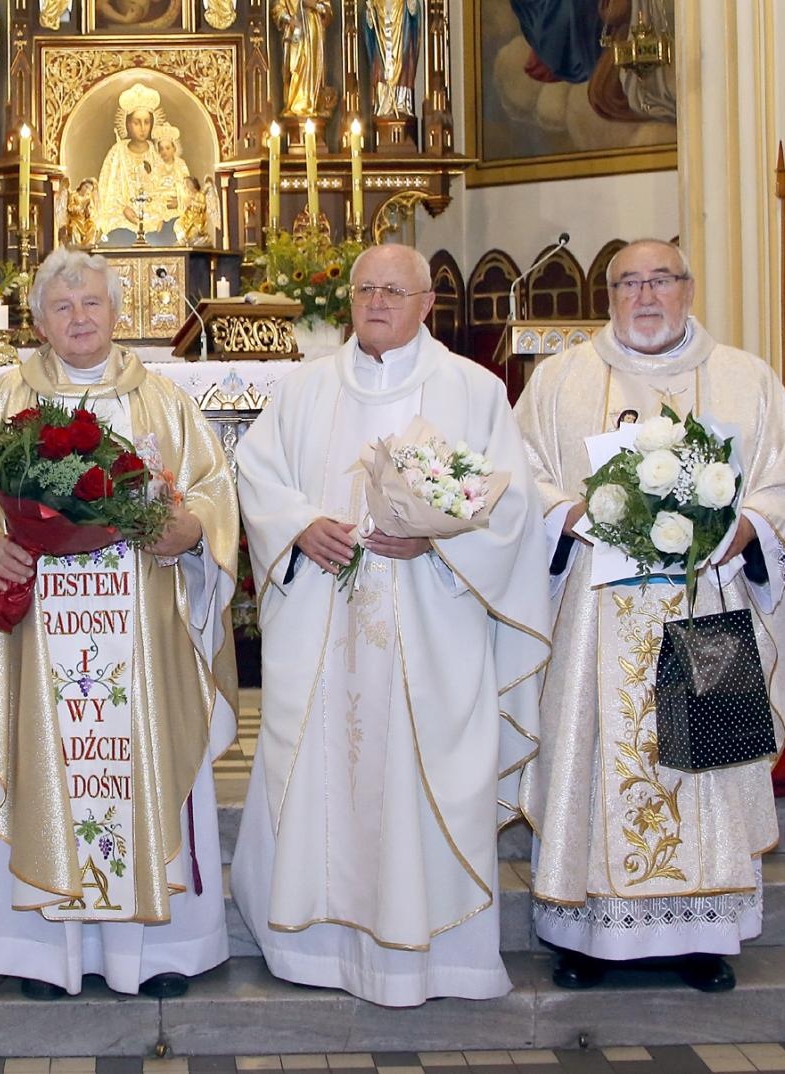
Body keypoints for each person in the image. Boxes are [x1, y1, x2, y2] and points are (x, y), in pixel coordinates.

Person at [231, 243, 551, 1006]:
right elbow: (256, 469)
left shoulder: (472, 390)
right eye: (365, 289)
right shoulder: (306, 389)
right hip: (323, 632)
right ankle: (312, 951)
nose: (376, 302)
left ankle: (436, 959)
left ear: (427, 303)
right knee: (320, 770)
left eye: (393, 290)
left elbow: (514, 507)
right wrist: (302, 524)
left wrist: (438, 537)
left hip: (433, 630)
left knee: (421, 773)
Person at [514, 238, 785, 992]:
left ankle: (703, 936)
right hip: (595, 620)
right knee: (595, 756)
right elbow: (519, 482)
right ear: (608, 294)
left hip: (708, 608)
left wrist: (747, 527)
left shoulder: (745, 380)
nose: (645, 295)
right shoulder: (560, 382)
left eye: (661, 280)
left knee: (706, 766)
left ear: (689, 288)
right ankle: (586, 936)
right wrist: (573, 512)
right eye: (628, 283)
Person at [0, 247, 239, 1000]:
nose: (79, 319)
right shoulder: (0, 401)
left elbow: (214, 493)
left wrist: (191, 532)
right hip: (37, 633)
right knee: (49, 765)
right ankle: (41, 953)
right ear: (37, 320)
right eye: (62, 308)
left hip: (143, 633)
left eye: (92, 304)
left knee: (141, 759)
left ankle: (155, 954)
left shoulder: (164, 400)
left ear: (117, 312)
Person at [94, 83, 164, 243]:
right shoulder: (117, 152)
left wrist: (158, 214)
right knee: (117, 234)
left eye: (146, 122)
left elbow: (164, 189)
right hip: (121, 217)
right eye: (137, 122)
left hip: (151, 215)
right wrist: (124, 209)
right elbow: (107, 190)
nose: (142, 128)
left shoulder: (156, 153)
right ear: (127, 124)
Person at [272, 0, 333, 119]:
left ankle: (310, 103)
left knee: (311, 68)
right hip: (295, 31)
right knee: (295, 67)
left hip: (313, 29)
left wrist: (314, 5)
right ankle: (295, 104)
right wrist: (289, 19)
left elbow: (328, 10)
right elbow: (277, 9)